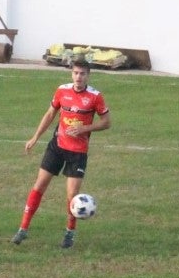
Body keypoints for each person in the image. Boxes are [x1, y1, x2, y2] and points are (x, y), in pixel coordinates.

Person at [12, 58, 111, 249]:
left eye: (82, 74)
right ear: (71, 73)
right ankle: (23, 229)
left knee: (72, 195)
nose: (78, 77)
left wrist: (85, 128)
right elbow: (50, 114)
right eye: (75, 73)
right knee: (39, 185)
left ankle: (69, 233)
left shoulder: (95, 97)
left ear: (88, 75)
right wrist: (35, 137)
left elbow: (107, 122)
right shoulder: (62, 91)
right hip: (57, 147)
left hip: (78, 152)